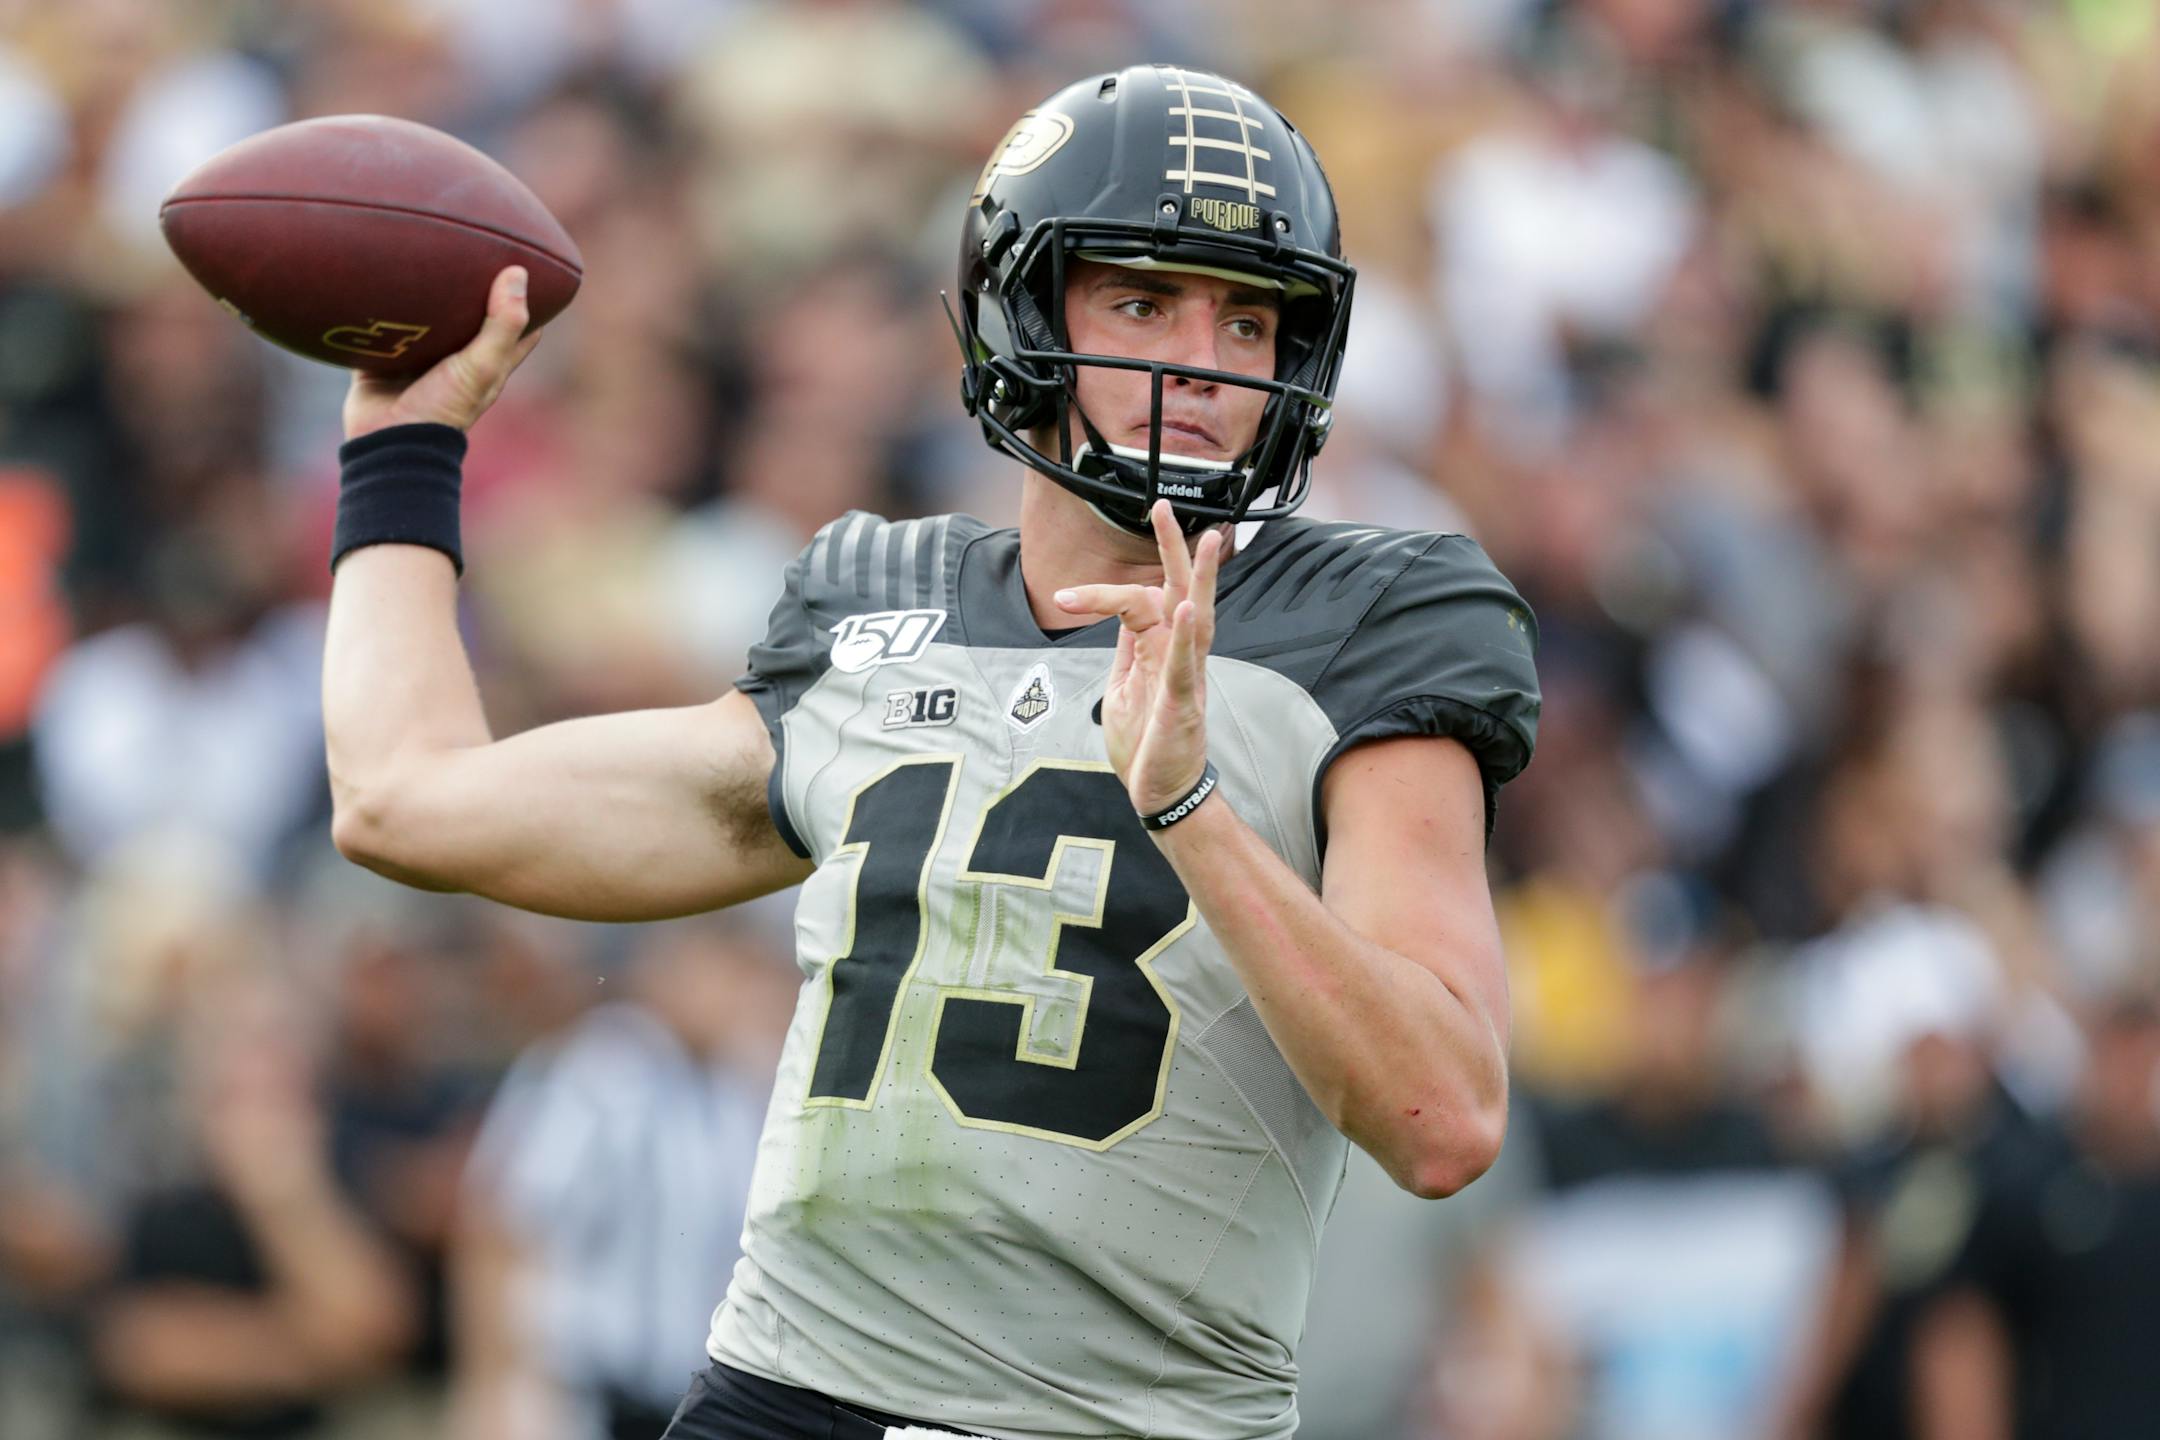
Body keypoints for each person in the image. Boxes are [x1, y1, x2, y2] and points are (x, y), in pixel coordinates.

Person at [323, 63, 1540, 1440]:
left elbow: (1442, 1117)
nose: (1201, 360)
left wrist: (1191, 807)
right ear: (1023, 312)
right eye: (1144, 300)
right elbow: (400, 802)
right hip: (782, 1399)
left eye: (1250, 318)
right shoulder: (869, 603)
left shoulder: (1372, 626)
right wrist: (406, 455)